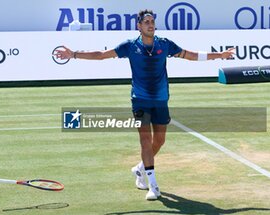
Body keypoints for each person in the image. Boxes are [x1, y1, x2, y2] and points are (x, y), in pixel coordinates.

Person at [55, 9, 235, 200]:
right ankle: (154, 185)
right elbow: (101, 55)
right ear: (139, 26)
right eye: (146, 22)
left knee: (160, 141)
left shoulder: (164, 44)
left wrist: (220, 55)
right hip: (139, 99)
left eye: (152, 21)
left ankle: (140, 169)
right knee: (145, 141)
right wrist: (73, 54)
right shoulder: (130, 46)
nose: (150, 24)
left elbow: (190, 55)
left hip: (161, 99)